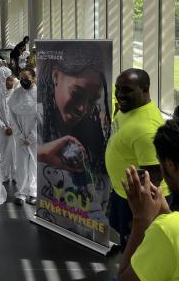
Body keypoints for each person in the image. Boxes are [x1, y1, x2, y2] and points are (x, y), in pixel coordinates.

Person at [36, 42, 112, 244]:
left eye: (92, 101)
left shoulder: (98, 132)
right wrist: (42, 153)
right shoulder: (38, 121)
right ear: (55, 76)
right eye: (76, 94)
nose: (82, 109)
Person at [106, 68, 168, 250]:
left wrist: (140, 218)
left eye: (127, 90)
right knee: (122, 235)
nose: (119, 94)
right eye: (118, 88)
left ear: (145, 89)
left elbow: (154, 178)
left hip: (137, 202)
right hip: (123, 193)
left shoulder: (146, 129)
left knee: (136, 249)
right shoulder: (129, 108)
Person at [117, 119, 179, 281]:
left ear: (170, 165)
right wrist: (166, 213)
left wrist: (141, 220)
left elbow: (124, 278)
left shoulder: (167, 231)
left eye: (160, 162)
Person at [9, 68, 38, 205]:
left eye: (26, 77)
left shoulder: (40, 94)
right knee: (21, 164)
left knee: (33, 164)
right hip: (19, 135)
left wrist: (32, 136)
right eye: (21, 78)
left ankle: (33, 192)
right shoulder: (16, 93)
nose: (23, 81)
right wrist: (19, 134)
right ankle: (21, 192)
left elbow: (42, 118)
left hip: (34, 136)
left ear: (33, 78)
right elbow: (11, 116)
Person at [0, 67, 17, 182]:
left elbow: (20, 112)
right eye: (7, 79)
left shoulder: (17, 93)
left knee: (15, 152)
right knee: (4, 151)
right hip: (3, 130)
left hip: (16, 129)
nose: (10, 82)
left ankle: (16, 175)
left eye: (11, 79)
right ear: (1, 80)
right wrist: (4, 127)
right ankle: (5, 174)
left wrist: (13, 126)